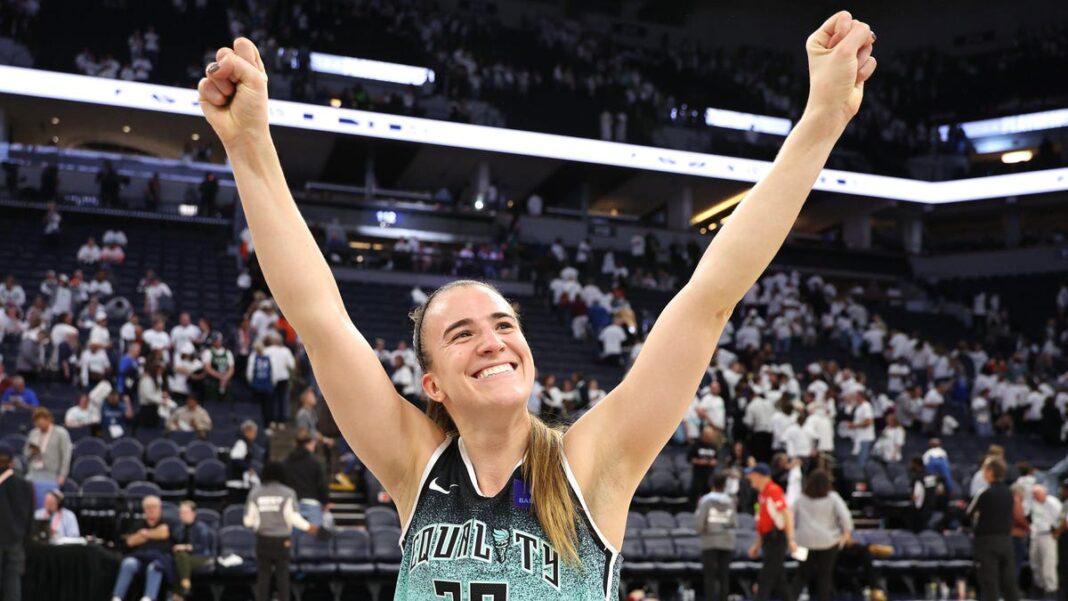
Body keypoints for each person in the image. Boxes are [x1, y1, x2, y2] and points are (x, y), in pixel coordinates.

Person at [199, 15, 877, 598]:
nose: (493, 341)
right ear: (431, 382)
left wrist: (819, 122)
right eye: (461, 333)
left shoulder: (594, 460)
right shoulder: (415, 461)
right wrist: (248, 143)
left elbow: (709, 295)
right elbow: (318, 315)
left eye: (503, 324)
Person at [244, 461, 318, 601]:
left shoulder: (255, 493)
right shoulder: (288, 493)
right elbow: (293, 517)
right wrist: (311, 528)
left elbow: (248, 521)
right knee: (283, 576)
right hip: (282, 540)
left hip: (263, 539)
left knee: (263, 576)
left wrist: (261, 524)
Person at [792, 470, 853, 601]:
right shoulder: (832, 497)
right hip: (828, 541)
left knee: (800, 575)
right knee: (824, 576)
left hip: (803, 542)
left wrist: (792, 536)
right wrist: (846, 533)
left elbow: (789, 515)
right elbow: (846, 516)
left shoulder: (801, 497)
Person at [967, 457, 1019, 601]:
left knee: (989, 583)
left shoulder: (984, 493)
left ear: (990, 472)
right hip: (1006, 540)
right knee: (1009, 582)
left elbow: (968, 515)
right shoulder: (1010, 493)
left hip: (986, 541)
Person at [747, 463, 797, 601]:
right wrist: (757, 545)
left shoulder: (773, 490)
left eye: (752, 476)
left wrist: (791, 539)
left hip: (777, 539)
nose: (750, 479)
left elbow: (787, 515)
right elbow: (762, 523)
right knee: (779, 581)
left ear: (760, 476)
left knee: (765, 578)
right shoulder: (762, 494)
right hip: (768, 540)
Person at [111, 495, 173, 601]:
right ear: (144, 510)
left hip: (158, 558)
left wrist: (143, 534)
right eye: (148, 507)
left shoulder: (168, 523)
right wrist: (154, 533)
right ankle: (117, 597)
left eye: (154, 507)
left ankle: (148, 598)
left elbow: (164, 534)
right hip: (139, 558)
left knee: (155, 567)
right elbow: (130, 542)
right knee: (128, 563)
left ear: (160, 509)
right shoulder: (137, 524)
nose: (151, 510)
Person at [0, 444, 34, 601]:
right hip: (16, 542)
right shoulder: (25, 485)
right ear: (12, 462)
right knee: (13, 585)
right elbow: (29, 517)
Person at [695, 472, 736, 601]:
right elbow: (734, 523)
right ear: (724, 485)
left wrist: (702, 529)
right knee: (724, 576)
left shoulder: (705, 501)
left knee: (710, 577)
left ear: (712, 484)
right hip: (727, 542)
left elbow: (699, 523)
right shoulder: (731, 501)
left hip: (709, 542)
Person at [283, 428, 330, 527]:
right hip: (311, 504)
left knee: (293, 539)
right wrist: (325, 502)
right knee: (311, 540)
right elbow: (321, 483)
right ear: (310, 443)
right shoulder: (315, 462)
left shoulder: (286, 461)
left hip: (292, 504)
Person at [24, 408, 72, 498]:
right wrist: (32, 452)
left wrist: (62, 475)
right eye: (37, 422)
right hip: (34, 472)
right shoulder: (33, 433)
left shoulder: (61, 433)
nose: (40, 424)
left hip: (52, 473)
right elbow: (26, 453)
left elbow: (66, 456)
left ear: (49, 419)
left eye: (42, 421)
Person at [171, 500, 213, 599]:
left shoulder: (202, 528)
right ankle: (184, 587)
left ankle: (179, 593)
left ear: (194, 513)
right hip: (184, 558)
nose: (182, 515)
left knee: (180, 557)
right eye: (181, 513)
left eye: (185, 512)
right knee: (180, 558)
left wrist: (185, 547)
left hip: (202, 557)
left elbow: (203, 546)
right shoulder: (179, 528)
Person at [1032, 484, 1063, 598]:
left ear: (1044, 493)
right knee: (1035, 563)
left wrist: (1057, 533)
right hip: (1035, 535)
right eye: (1034, 494)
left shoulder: (1053, 503)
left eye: (1037, 494)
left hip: (1048, 535)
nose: (1035, 496)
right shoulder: (1033, 502)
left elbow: (1063, 518)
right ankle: (1039, 588)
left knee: (1048, 565)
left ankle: (1051, 592)